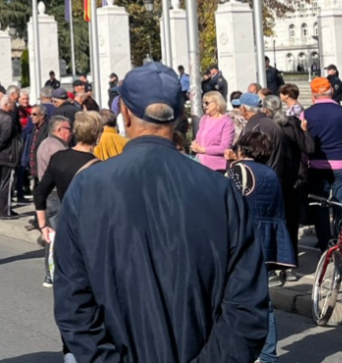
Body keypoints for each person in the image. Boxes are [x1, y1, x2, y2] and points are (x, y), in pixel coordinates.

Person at [53, 62, 269, 363]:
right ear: (181, 114)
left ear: (125, 113)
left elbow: (73, 305)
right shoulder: (221, 192)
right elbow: (247, 309)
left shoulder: (86, 189)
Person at [226, 131, 295, 363]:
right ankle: (268, 354)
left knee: (231, 298)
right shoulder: (271, 174)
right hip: (268, 239)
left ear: (242, 149)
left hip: (242, 239)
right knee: (263, 299)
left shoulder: (238, 170)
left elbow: (229, 204)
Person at [36, 110, 101, 301]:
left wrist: (43, 226)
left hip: (66, 225)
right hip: (89, 231)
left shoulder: (59, 158)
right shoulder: (98, 166)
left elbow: (40, 192)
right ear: (97, 136)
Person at [263, 94, 311, 274]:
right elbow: (308, 148)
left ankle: (276, 263)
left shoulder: (268, 127)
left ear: (266, 110)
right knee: (291, 222)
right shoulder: (292, 123)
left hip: (277, 180)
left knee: (276, 222)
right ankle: (290, 263)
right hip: (294, 180)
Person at [303, 76, 342, 250]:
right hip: (340, 164)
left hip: (317, 166)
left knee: (320, 205)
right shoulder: (340, 112)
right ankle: (340, 239)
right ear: (331, 91)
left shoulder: (306, 114)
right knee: (340, 204)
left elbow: (303, 142)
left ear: (313, 94)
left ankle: (325, 242)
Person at [191, 91, 236, 172]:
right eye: (203, 103)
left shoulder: (227, 122)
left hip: (216, 168)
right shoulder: (204, 119)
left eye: (207, 103)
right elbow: (202, 138)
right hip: (199, 164)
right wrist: (194, 144)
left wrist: (203, 150)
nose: (204, 106)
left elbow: (225, 147)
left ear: (217, 104)